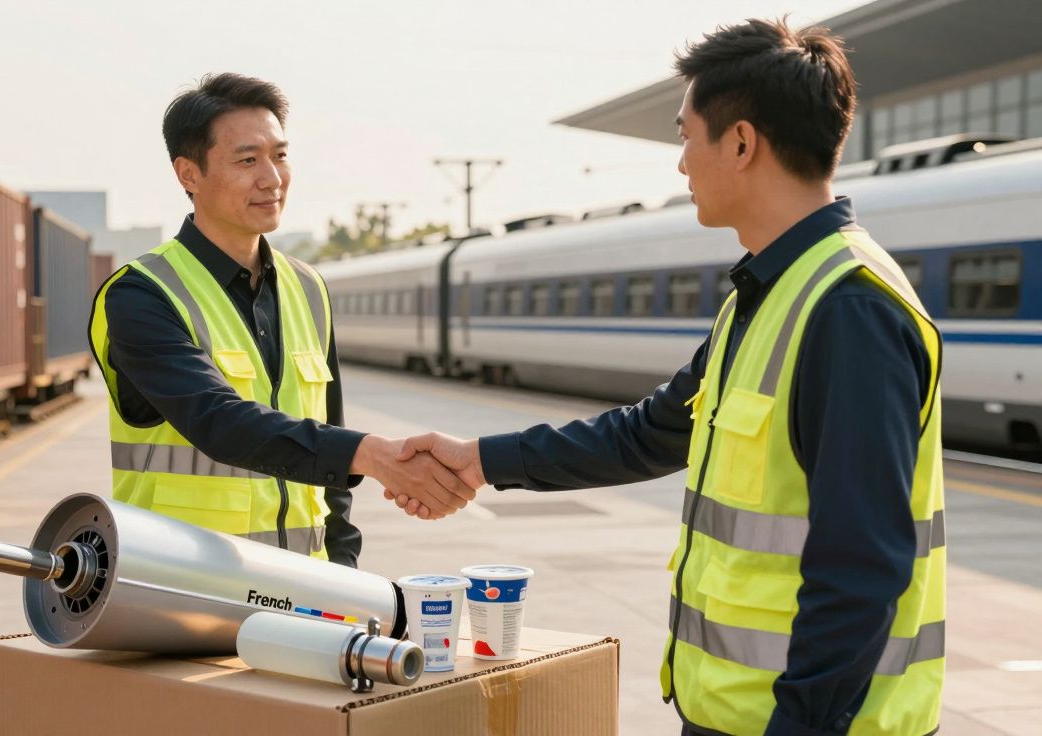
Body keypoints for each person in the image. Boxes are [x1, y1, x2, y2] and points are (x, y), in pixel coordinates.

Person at [387, 19, 945, 736]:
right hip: (733, 714)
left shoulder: (848, 310)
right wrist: (480, 459)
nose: (681, 164)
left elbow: (863, 566)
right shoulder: (770, 293)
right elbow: (648, 434)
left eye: (686, 137)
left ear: (740, 143)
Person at [89, 73, 474, 568]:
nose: (272, 178)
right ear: (188, 174)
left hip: (301, 588)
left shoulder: (308, 288)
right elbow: (218, 421)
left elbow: (330, 465)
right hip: (180, 584)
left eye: (281, 155)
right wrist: (374, 455)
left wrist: (343, 574)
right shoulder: (142, 294)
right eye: (247, 160)